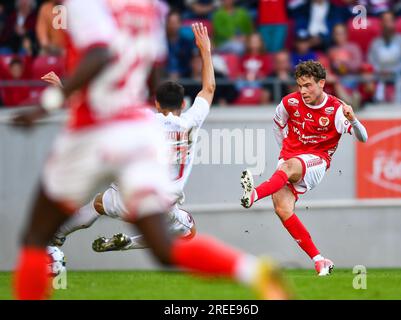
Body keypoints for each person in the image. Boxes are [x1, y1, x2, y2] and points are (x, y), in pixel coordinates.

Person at [12, 0, 288, 300]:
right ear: (181, 105)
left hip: (97, 128)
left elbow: (100, 57)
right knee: (166, 247)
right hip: (144, 153)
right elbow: (187, 82)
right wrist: (206, 50)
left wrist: (51, 99)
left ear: (156, 103)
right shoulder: (150, 8)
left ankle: (55, 246)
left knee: (40, 234)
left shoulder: (88, 6)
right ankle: (250, 270)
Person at [239, 60, 368, 276]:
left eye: (308, 85)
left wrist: (353, 119)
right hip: (291, 160)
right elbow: (278, 124)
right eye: (300, 85)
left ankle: (253, 194)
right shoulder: (289, 102)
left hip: (317, 162)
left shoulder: (336, 109)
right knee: (282, 209)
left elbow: (362, 138)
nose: (303, 90)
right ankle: (320, 260)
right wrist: (285, 153)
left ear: (322, 83)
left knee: (288, 169)